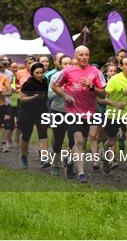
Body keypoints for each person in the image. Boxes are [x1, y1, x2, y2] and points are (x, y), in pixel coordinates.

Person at [52, 46, 106, 183]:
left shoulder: (95, 72)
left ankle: (69, 161)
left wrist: (91, 87)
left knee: (80, 142)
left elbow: (104, 94)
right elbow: (54, 86)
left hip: (89, 112)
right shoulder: (67, 71)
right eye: (81, 55)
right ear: (76, 56)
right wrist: (64, 95)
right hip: (72, 111)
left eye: (86, 55)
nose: (84, 57)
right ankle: (81, 173)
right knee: (80, 141)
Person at [101, 55, 127, 174]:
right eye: (126, 64)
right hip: (113, 115)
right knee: (111, 141)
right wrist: (116, 104)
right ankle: (104, 156)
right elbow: (104, 98)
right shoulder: (114, 79)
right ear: (121, 66)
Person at [47, 55, 75, 175]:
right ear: (60, 65)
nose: (67, 66)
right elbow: (50, 96)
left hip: (73, 111)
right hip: (58, 110)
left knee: (73, 138)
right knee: (58, 138)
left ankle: (69, 163)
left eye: (70, 63)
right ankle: (55, 164)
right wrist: (61, 90)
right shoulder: (54, 77)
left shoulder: (76, 77)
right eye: (65, 63)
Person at [18, 62, 49, 169]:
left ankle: (44, 159)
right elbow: (22, 98)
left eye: (41, 72)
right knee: (26, 136)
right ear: (32, 73)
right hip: (27, 112)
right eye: (37, 73)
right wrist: (33, 97)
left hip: (41, 112)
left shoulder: (45, 81)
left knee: (43, 133)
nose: (40, 75)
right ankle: (23, 156)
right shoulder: (29, 83)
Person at [0, 61, 13, 153]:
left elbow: (10, 92)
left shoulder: (4, 78)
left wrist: (1, 93)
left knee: (6, 123)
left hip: (4, 105)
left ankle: (4, 143)